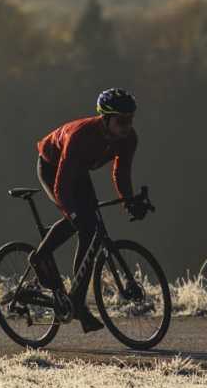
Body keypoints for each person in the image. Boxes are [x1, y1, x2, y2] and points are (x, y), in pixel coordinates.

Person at [29, 88, 145, 333]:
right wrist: (71, 213)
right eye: (121, 121)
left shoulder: (128, 139)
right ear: (105, 118)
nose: (127, 126)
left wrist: (129, 201)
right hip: (52, 167)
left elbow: (121, 173)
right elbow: (61, 186)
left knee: (90, 227)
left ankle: (77, 301)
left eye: (130, 120)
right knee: (81, 221)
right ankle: (39, 257)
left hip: (78, 170)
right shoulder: (81, 136)